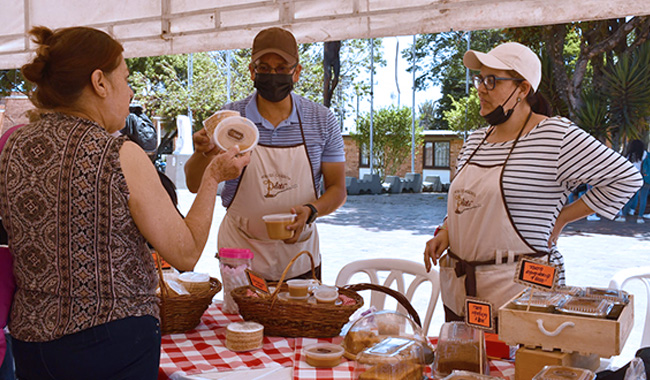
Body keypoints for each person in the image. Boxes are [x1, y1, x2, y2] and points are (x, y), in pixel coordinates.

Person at [0, 26, 249, 380]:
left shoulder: (13, 147)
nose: (130, 91)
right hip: (109, 342)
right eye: (127, 78)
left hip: (31, 342)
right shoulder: (119, 154)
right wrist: (212, 177)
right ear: (100, 82)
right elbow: (185, 252)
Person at [423, 42, 642, 323]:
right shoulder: (475, 141)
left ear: (523, 89)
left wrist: (562, 218)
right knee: (463, 363)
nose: (480, 88)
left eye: (492, 80)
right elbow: (470, 202)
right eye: (480, 79)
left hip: (521, 291)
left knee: (515, 366)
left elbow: (626, 178)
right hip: (462, 290)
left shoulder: (555, 135)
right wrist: (448, 230)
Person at [185, 27, 347, 282]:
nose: (273, 75)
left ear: (297, 72)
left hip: (299, 255)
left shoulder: (321, 120)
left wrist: (311, 211)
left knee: (299, 321)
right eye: (264, 67)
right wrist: (202, 153)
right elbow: (194, 184)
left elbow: (337, 190)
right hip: (240, 255)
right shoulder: (231, 119)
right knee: (240, 322)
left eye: (282, 68)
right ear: (252, 71)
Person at [615, 139, 648, 224]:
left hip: (632, 179)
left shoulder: (629, 155)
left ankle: (623, 216)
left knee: (629, 198)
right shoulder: (645, 154)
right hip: (644, 178)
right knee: (643, 198)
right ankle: (640, 217)